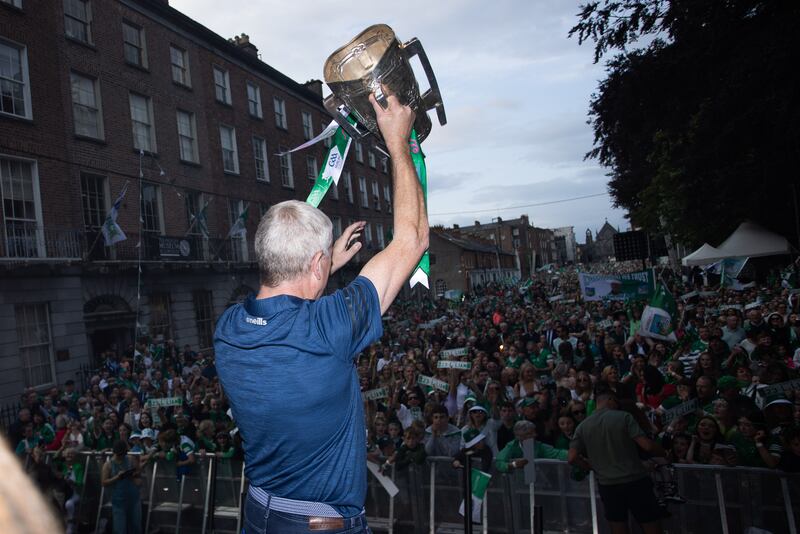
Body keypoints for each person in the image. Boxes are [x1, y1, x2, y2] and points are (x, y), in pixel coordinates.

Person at [214, 94, 427, 533]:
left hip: (258, 515)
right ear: (314, 266)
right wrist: (398, 143)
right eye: (321, 263)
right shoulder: (330, 327)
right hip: (321, 525)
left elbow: (287, 300)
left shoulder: (228, 328)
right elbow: (413, 239)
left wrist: (324, 260)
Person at [568, 388, 666, 534]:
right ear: (610, 400)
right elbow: (647, 445)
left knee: (618, 526)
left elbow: (572, 457)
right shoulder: (624, 417)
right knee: (651, 524)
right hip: (635, 481)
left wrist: (590, 466)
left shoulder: (583, 426)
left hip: (608, 485)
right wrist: (664, 453)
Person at [101, 440, 142, 534]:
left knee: (136, 527)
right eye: (119, 454)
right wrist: (117, 477)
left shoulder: (131, 459)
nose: (121, 456)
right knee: (120, 529)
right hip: (118, 501)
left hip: (133, 498)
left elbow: (138, 474)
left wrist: (132, 475)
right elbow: (104, 482)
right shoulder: (108, 465)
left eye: (122, 454)